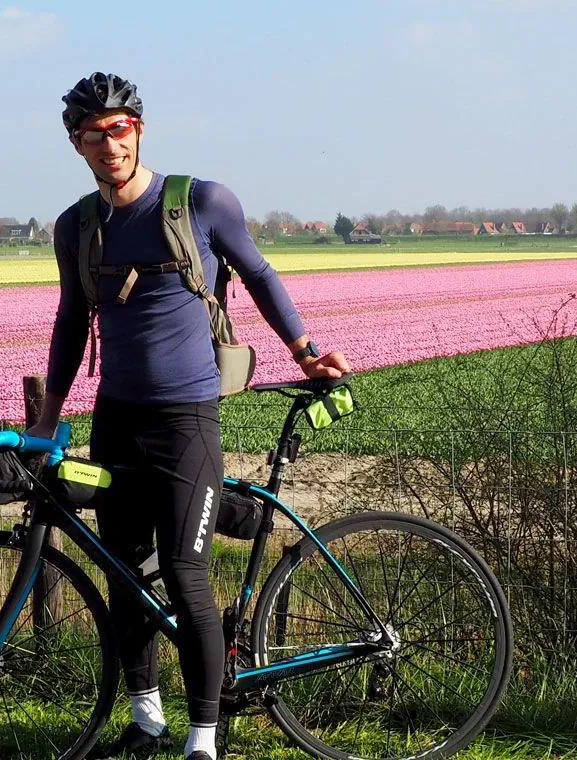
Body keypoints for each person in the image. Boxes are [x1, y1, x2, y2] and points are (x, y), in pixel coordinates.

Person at [25, 72, 350, 760]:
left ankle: (203, 739)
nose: (109, 143)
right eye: (93, 134)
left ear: (138, 130)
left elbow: (260, 275)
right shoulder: (76, 227)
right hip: (116, 419)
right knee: (125, 570)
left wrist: (307, 351)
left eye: (119, 129)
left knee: (184, 569)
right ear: (76, 144)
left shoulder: (200, 202)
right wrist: (47, 418)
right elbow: (68, 323)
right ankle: (146, 720)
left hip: (186, 419)